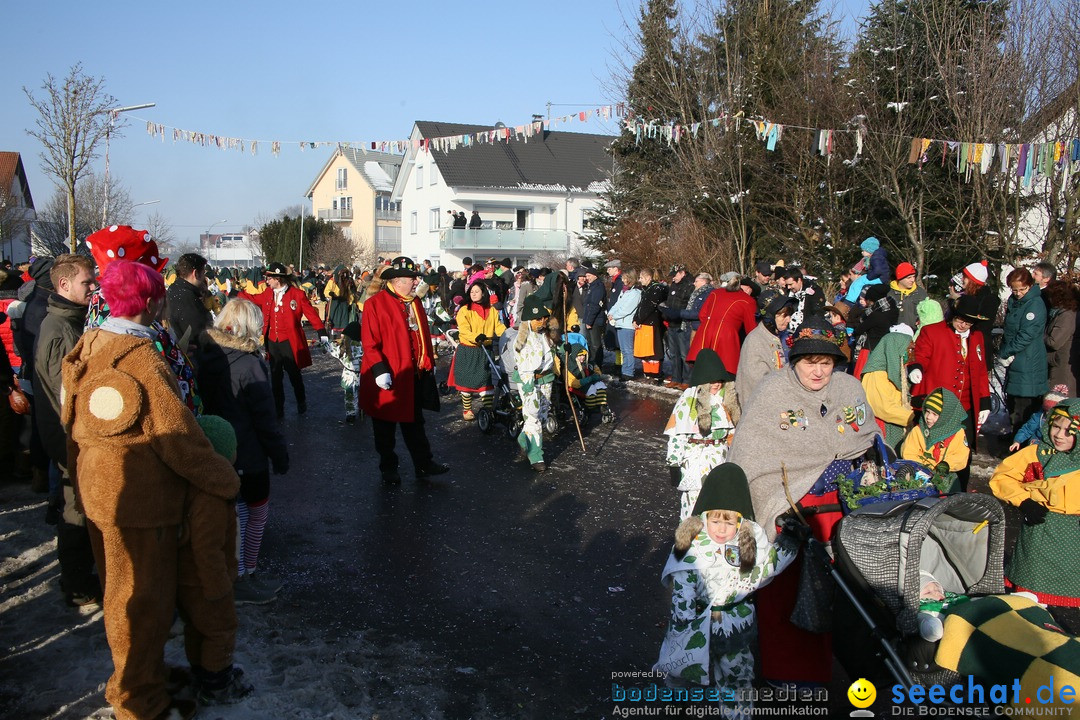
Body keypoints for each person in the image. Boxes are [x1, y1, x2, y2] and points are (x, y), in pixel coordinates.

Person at [63, 260, 241, 720]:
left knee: (121, 592)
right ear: (150, 301)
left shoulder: (93, 341)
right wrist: (223, 478)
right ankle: (138, 697)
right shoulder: (140, 356)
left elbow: (71, 422)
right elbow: (176, 436)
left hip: (101, 491)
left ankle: (143, 679)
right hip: (141, 500)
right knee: (141, 602)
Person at [728, 314, 880, 685]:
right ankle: (787, 672)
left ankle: (831, 667)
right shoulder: (772, 392)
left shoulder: (848, 389)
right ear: (795, 361)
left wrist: (870, 465)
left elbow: (867, 437)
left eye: (825, 362)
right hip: (790, 510)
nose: (818, 372)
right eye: (810, 362)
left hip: (841, 510)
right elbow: (750, 457)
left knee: (840, 593)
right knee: (788, 591)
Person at [657, 464, 800, 715]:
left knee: (737, 679)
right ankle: (676, 701)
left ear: (740, 519)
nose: (722, 529)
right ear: (704, 516)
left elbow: (765, 569)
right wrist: (683, 623)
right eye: (715, 520)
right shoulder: (692, 544)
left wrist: (788, 542)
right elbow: (683, 587)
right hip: (694, 624)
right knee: (681, 672)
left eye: (729, 521)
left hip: (735, 625)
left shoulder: (748, 539)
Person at [196, 297, 289, 604]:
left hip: (215, 447)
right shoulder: (250, 364)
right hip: (248, 452)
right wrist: (279, 453)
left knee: (232, 515)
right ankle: (245, 573)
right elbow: (265, 416)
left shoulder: (205, 356)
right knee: (256, 514)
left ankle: (235, 571)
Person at [33, 253, 101, 607]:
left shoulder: (70, 321)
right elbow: (67, 395)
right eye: (87, 283)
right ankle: (76, 584)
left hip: (72, 435)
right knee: (76, 508)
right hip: (68, 437)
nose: (94, 288)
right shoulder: (60, 330)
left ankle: (79, 576)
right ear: (63, 285)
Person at [178, 415, 254, 705]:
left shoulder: (194, 481)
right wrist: (217, 585)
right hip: (206, 580)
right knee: (220, 629)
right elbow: (206, 546)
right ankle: (217, 684)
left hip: (189, 578)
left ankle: (202, 671)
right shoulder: (211, 493)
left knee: (197, 627)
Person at [990, 398, 1080, 633]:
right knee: (1030, 601)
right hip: (1038, 533)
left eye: (1068, 431)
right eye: (1055, 426)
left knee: (1068, 599)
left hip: (1073, 539)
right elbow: (1002, 477)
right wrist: (1025, 501)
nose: (1059, 435)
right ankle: (1025, 640)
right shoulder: (1036, 453)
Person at [359, 256, 449, 485]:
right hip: (389, 375)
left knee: (415, 424)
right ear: (398, 280)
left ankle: (423, 464)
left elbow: (421, 335)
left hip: (412, 375)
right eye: (412, 278)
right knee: (384, 427)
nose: (416, 281)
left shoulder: (414, 302)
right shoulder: (375, 304)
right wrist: (380, 370)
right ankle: (388, 467)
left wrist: (427, 360)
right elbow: (369, 343)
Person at [908, 294, 990, 491]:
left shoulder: (976, 337)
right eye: (960, 319)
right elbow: (921, 355)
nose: (963, 325)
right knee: (931, 452)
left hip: (965, 407)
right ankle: (925, 492)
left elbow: (980, 370)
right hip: (938, 406)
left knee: (962, 453)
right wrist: (916, 368)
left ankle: (958, 492)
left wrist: (984, 401)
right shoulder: (932, 332)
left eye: (968, 322)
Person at [240, 262, 329, 418]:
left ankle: (301, 401)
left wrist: (321, 331)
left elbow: (311, 313)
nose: (266, 281)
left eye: (269, 278)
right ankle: (278, 408)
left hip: (289, 341)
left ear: (278, 279)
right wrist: (235, 292)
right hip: (272, 341)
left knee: (294, 374)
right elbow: (253, 299)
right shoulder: (268, 293)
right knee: (275, 376)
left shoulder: (297, 294)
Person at [664, 349, 738, 519]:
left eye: (719, 380)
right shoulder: (689, 399)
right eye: (712, 381)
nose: (717, 384)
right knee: (694, 505)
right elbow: (677, 435)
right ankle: (689, 540)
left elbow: (733, 434)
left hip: (720, 458)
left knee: (718, 505)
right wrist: (673, 463)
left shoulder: (726, 399)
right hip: (696, 459)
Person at [998, 267, 1048, 433]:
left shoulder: (1035, 305)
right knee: (1014, 405)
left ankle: (1021, 443)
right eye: (1015, 290)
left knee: (1023, 408)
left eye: (1022, 289)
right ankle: (1015, 435)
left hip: (1028, 362)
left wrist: (1006, 352)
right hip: (1016, 362)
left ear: (1030, 286)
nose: (1018, 293)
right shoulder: (1015, 302)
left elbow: (1026, 335)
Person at [449, 279, 507, 421]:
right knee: (467, 381)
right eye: (472, 292)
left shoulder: (491, 309)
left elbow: (498, 326)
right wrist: (476, 337)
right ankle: (467, 409)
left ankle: (487, 409)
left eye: (477, 291)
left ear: (483, 293)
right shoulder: (465, 310)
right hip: (469, 350)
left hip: (485, 349)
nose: (474, 294)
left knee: (486, 381)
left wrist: (508, 334)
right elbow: (463, 330)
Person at [513, 295, 555, 472]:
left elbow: (549, 355)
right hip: (529, 380)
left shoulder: (546, 335)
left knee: (543, 416)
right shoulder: (522, 339)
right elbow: (524, 364)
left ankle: (524, 438)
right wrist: (528, 385)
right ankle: (535, 456)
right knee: (532, 417)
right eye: (538, 319)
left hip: (546, 379)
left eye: (544, 318)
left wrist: (562, 348)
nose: (541, 322)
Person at [686, 272, 756, 377]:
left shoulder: (715, 293)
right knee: (724, 374)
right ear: (748, 289)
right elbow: (751, 329)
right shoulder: (747, 300)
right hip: (727, 338)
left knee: (702, 372)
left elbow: (702, 315)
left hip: (705, 334)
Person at [900, 388, 969, 492]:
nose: (928, 417)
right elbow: (908, 452)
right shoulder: (919, 431)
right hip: (921, 476)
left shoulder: (957, 433)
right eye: (927, 411)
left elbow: (962, 455)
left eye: (935, 414)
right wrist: (927, 466)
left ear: (945, 417)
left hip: (947, 477)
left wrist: (947, 464)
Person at [860, 329, 916, 451]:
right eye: (909, 350)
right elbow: (883, 407)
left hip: (897, 424)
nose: (911, 355)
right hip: (884, 428)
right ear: (895, 350)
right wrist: (913, 417)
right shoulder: (876, 373)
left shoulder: (894, 369)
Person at [735, 294, 793, 407]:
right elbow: (758, 382)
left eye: (789, 315)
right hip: (758, 408)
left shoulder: (775, 336)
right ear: (770, 317)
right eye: (784, 316)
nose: (788, 319)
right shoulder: (756, 340)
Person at [946, 260, 999, 370]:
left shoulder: (989, 300)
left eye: (965, 277)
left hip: (978, 350)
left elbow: (981, 324)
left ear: (972, 281)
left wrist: (959, 302)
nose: (962, 280)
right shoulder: (964, 297)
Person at [849, 283, 899, 378]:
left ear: (871, 300)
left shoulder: (875, 314)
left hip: (870, 350)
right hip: (885, 351)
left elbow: (859, 329)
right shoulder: (893, 310)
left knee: (862, 378)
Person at [166, 252, 212, 354]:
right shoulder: (188, 299)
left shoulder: (174, 289)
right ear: (196, 273)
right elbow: (198, 335)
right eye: (203, 273)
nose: (204, 277)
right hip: (193, 358)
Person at [1043, 280, 1079, 396]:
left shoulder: (1066, 315)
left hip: (1063, 367)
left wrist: (1039, 335)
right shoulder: (1060, 313)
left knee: (1060, 403)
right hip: (1059, 362)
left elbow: (1054, 342)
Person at [662, 265, 694, 388]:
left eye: (675, 275)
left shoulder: (689, 286)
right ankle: (676, 377)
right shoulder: (673, 285)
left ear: (682, 273)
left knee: (684, 353)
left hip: (682, 324)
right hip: (671, 323)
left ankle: (687, 380)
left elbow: (688, 305)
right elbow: (670, 302)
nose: (673, 278)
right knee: (674, 353)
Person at [634, 268, 667, 383]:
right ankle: (648, 372)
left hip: (652, 323)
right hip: (644, 323)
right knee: (645, 350)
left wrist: (639, 319)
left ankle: (656, 373)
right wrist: (635, 319)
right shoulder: (646, 289)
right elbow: (640, 306)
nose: (640, 280)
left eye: (641, 278)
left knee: (654, 350)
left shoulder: (656, 289)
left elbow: (649, 307)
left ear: (648, 277)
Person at [607, 269, 640, 382]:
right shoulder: (624, 291)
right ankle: (625, 370)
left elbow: (627, 309)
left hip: (627, 324)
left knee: (627, 350)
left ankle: (628, 372)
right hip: (620, 323)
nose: (622, 280)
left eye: (625, 278)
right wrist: (611, 313)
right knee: (623, 349)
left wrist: (614, 316)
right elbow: (618, 304)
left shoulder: (635, 293)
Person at [334, 321, 364, 424]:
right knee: (362, 394)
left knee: (350, 396)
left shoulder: (345, 346)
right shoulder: (364, 345)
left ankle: (351, 414)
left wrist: (324, 342)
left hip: (349, 376)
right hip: (363, 375)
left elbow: (332, 348)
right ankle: (362, 409)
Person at [780, 267, 823, 334]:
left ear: (799, 280)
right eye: (787, 285)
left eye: (791, 284)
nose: (788, 287)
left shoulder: (814, 292)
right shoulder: (787, 291)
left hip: (805, 331)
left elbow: (818, 313)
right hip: (787, 330)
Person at [580, 264, 607, 368]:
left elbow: (594, 305)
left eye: (589, 275)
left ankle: (597, 365)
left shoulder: (598, 287)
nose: (587, 278)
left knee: (596, 344)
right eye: (586, 276)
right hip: (591, 319)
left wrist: (589, 321)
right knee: (590, 344)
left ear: (595, 276)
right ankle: (592, 363)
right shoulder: (591, 287)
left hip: (595, 320)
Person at [888, 262, 927, 329]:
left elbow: (928, 313)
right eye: (909, 277)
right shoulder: (889, 294)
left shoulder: (921, 293)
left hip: (916, 334)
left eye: (914, 277)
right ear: (900, 278)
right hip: (896, 334)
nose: (912, 280)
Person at [323, 265, 359, 336]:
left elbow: (350, 293)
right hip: (335, 302)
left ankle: (343, 337)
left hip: (344, 303)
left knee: (343, 321)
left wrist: (351, 301)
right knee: (334, 319)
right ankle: (333, 335)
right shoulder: (332, 281)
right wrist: (330, 294)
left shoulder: (347, 281)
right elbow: (326, 291)